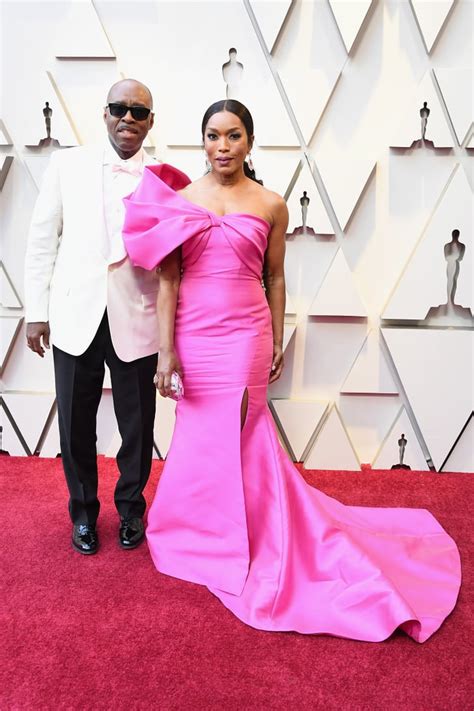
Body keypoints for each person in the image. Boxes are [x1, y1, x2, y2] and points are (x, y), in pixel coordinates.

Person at [122, 99, 461, 642]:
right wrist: (166, 352)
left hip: (245, 336)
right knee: (199, 434)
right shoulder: (181, 201)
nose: (223, 145)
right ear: (202, 142)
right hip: (195, 334)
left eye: (233, 135)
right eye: (213, 135)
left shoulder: (273, 205)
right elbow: (168, 281)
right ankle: (200, 532)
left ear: (250, 143)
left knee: (242, 432)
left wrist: (277, 339)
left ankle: (248, 534)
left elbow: (274, 279)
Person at [25, 79, 162, 555]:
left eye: (138, 112)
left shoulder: (165, 178)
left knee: (138, 425)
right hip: (73, 314)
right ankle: (82, 514)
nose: (128, 118)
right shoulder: (67, 163)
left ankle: (131, 510)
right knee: (75, 424)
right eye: (119, 108)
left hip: (137, 315)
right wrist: (36, 313)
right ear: (105, 114)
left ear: (150, 121)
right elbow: (43, 239)